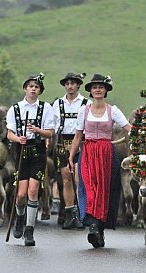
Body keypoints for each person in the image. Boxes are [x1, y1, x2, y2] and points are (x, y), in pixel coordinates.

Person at [68, 73, 132, 248]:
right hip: (88, 152)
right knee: (89, 188)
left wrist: (144, 134)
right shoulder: (84, 110)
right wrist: (71, 157)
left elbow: (129, 128)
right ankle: (93, 225)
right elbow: (78, 136)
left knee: (103, 190)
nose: (98, 90)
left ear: (105, 91)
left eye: (101, 87)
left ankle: (98, 228)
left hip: (106, 153)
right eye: (94, 87)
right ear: (90, 90)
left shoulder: (113, 110)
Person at [6, 73, 55, 246]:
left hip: (38, 152)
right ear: (25, 89)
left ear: (40, 91)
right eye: (31, 86)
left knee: (33, 191)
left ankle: (29, 230)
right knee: (20, 195)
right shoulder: (15, 109)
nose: (33, 89)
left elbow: (50, 132)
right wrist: (18, 139)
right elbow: (9, 133)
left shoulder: (46, 108)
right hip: (21, 152)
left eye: (36, 87)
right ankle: (20, 217)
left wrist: (37, 131)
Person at [52, 72, 91, 229]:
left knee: (78, 180)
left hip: (81, 142)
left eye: (72, 83)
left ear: (78, 85)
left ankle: (82, 214)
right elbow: (53, 124)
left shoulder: (86, 103)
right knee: (66, 179)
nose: (69, 86)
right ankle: (70, 215)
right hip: (62, 142)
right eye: (67, 84)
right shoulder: (58, 104)